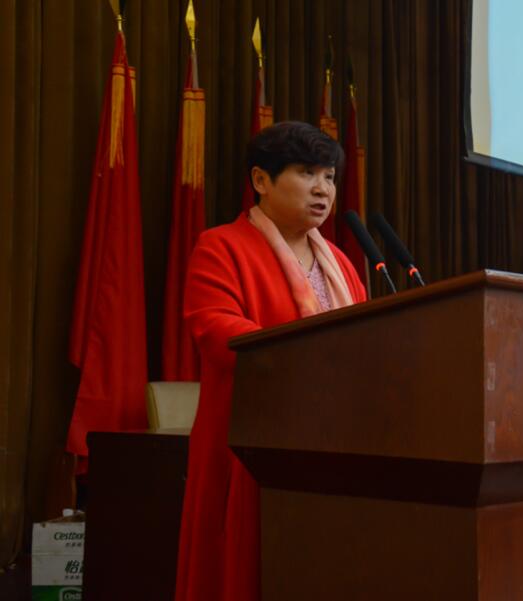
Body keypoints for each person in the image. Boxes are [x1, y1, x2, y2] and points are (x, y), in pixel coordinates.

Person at [174, 122, 368, 601]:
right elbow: (216, 329)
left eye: (329, 176)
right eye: (306, 173)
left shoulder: (341, 263)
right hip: (251, 449)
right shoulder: (221, 247)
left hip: (336, 446)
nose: (323, 189)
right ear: (261, 180)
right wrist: (316, 358)